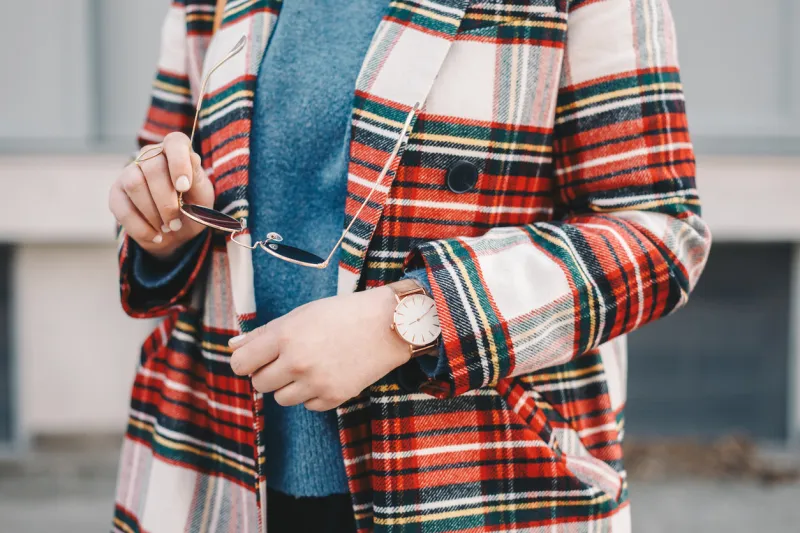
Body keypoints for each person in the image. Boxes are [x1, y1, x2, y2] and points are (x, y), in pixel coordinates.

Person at [107, 0, 711, 532]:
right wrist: (161, 218)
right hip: (218, 462)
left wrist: (408, 318)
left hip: (476, 474)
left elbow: (659, 234)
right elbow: (162, 166)